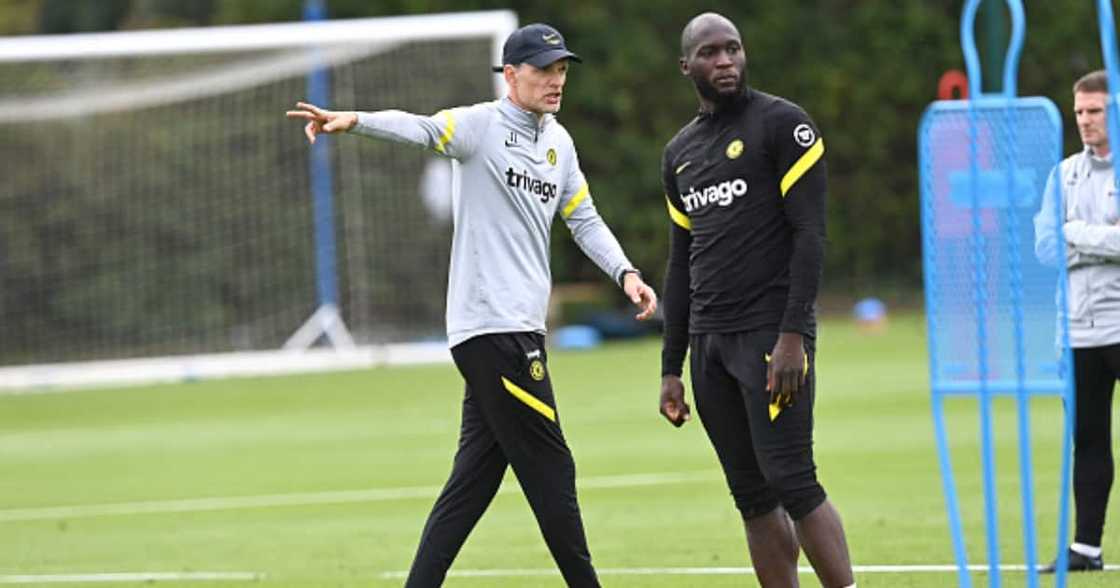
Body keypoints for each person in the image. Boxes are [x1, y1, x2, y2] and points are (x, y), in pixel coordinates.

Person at [287, 23, 657, 588]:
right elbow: (423, 129)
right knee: (553, 469)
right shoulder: (481, 126)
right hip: (493, 330)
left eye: (561, 70)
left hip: (519, 330)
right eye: (543, 70)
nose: (556, 80)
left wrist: (625, 272)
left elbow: (582, 218)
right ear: (511, 76)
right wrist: (355, 120)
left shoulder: (560, 143)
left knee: (473, 481)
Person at [656, 13, 855, 588]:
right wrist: (672, 367)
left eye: (733, 49)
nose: (725, 62)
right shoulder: (680, 153)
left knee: (793, 479)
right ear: (687, 66)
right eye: (711, 53)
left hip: (772, 336)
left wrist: (794, 335)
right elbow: (679, 264)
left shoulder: (783, 125)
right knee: (750, 495)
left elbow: (811, 235)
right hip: (709, 347)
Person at [1035, 69, 1118, 573]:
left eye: (1095, 111)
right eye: (1080, 111)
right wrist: (1100, 238)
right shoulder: (1062, 174)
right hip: (1077, 331)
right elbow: (1045, 248)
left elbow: (1066, 238)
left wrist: (1075, 234)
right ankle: (1086, 548)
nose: (1085, 120)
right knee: (1087, 439)